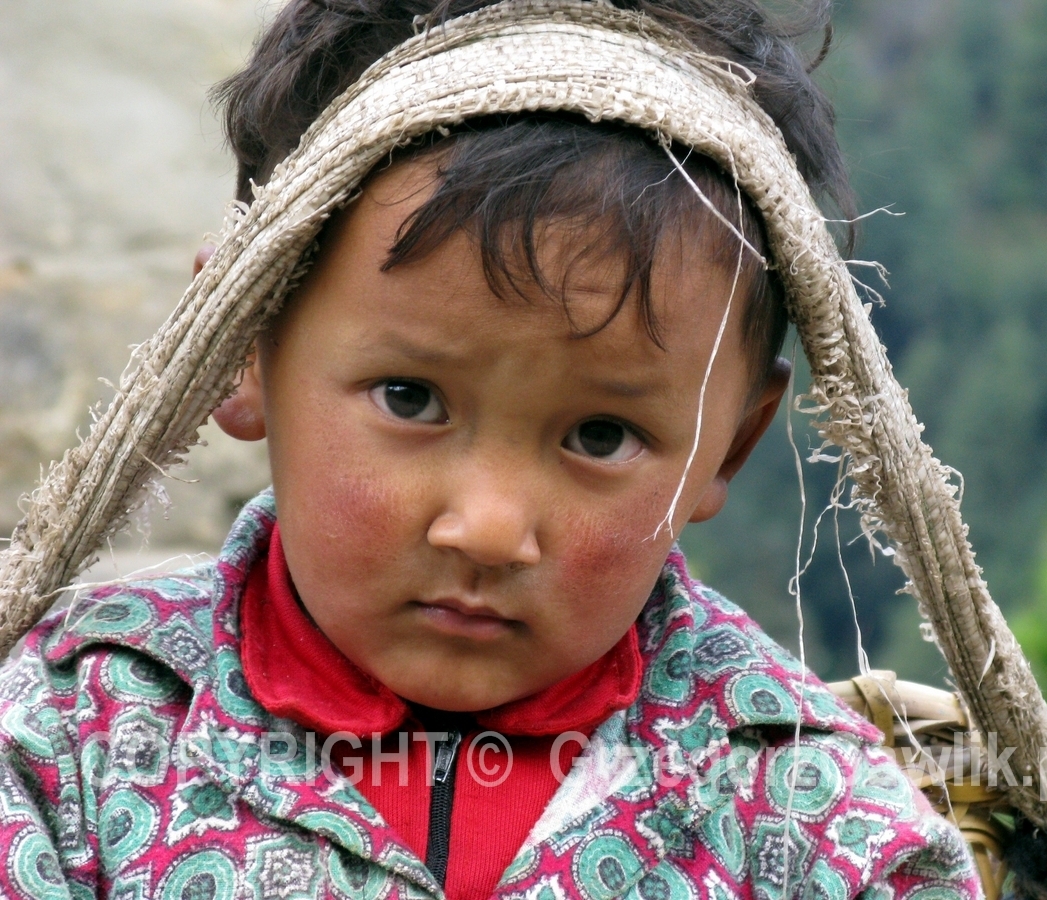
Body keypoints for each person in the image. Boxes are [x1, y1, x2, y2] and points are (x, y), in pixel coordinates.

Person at [0, 1, 982, 897]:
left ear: (727, 447)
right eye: (410, 398)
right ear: (239, 348)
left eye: (601, 435)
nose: (490, 528)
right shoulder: (66, 744)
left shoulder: (816, 818)